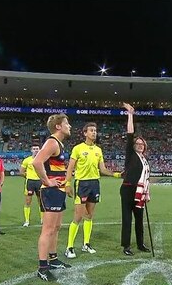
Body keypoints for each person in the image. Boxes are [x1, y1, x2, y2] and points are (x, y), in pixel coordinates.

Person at [64, 122, 121, 259]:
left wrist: (115, 174)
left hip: (94, 183)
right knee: (78, 216)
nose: (94, 132)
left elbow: (102, 169)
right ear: (85, 133)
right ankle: (69, 247)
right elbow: (70, 167)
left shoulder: (98, 150)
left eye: (95, 130)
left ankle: (86, 244)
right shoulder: (78, 148)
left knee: (89, 216)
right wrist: (67, 183)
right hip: (82, 184)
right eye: (91, 130)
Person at [32, 114, 73, 281]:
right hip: (51, 192)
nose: (69, 126)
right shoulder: (52, 142)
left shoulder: (59, 144)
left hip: (59, 191)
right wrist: (47, 181)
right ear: (58, 126)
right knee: (48, 230)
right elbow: (36, 162)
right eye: (66, 123)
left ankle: (53, 259)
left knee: (56, 228)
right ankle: (42, 267)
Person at [119, 103, 152, 256]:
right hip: (128, 189)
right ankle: (126, 246)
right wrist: (130, 114)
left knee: (139, 219)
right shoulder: (130, 155)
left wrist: (147, 193)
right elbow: (130, 134)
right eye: (137, 144)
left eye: (141, 144)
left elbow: (146, 178)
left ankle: (140, 244)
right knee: (127, 218)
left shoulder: (144, 160)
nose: (139, 145)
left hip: (139, 192)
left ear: (144, 146)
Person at [19, 144, 44, 227]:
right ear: (31, 150)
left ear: (40, 150)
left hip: (40, 182)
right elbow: (21, 172)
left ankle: (42, 220)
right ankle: (27, 221)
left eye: (37, 148)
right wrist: (28, 177)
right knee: (28, 201)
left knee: (41, 201)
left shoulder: (43, 160)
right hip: (30, 182)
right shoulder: (27, 160)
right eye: (34, 149)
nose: (36, 150)